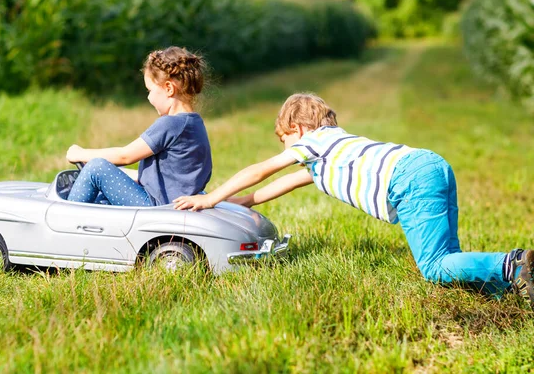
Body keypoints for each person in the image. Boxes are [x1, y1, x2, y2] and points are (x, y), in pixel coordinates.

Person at [173, 93, 534, 308]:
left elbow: (262, 171)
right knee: (448, 256)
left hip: (408, 180)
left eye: (282, 140)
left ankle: (514, 264)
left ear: (296, 131)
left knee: (435, 266)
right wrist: (237, 203)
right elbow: (271, 189)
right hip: (430, 164)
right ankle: (510, 290)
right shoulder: (332, 150)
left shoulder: (313, 142)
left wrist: (210, 199)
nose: (285, 149)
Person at [66, 46, 212, 207]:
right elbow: (166, 179)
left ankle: (65, 219)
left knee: (96, 168)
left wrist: (80, 153)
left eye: (149, 90)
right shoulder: (195, 123)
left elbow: (125, 156)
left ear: (169, 88)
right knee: (102, 190)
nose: (148, 97)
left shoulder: (171, 124)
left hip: (155, 206)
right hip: (168, 203)